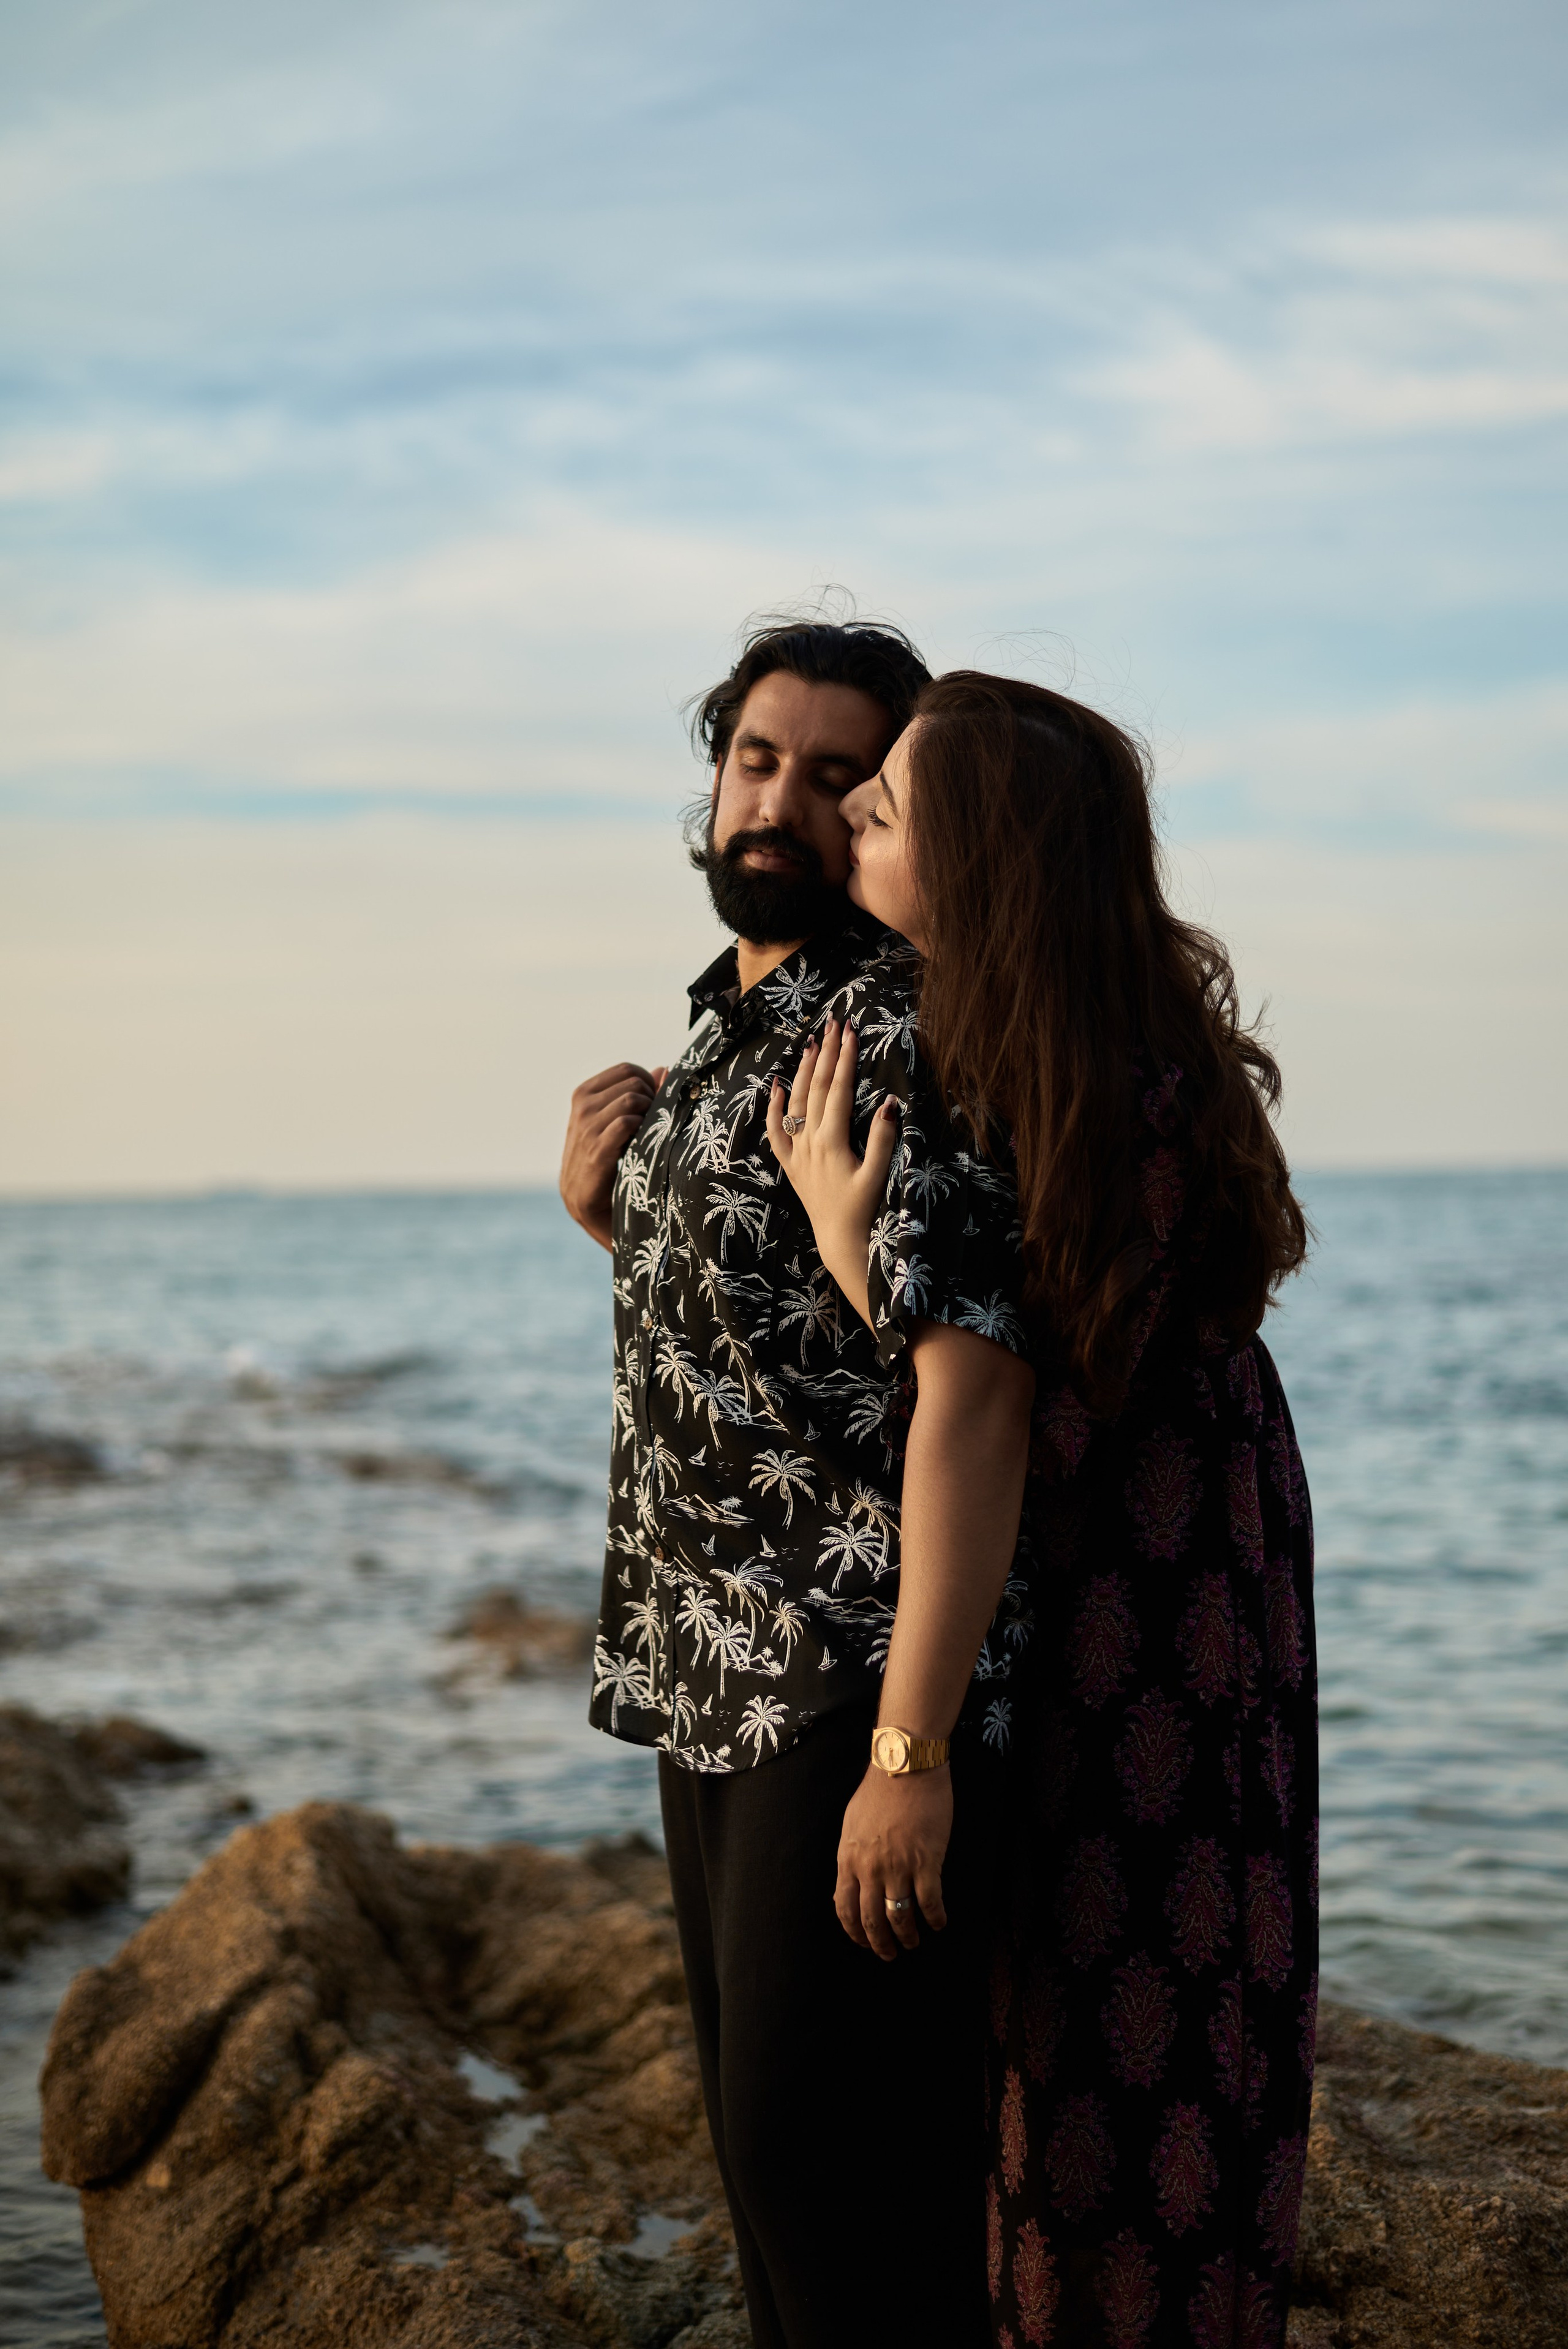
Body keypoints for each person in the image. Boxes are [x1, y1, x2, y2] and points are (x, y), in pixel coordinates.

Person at [769, 672, 1316, 2348]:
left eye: (890, 797)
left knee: (1087, 2072)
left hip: (1116, 1617)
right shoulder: (1136, 1057)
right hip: (1221, 1590)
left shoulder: (978, 1069)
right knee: (1203, 2042)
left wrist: (902, 1756)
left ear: (989, 855)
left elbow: (986, 1410)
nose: (853, 812)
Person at [560, 617, 1038, 2348]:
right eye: (757, 757)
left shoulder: (903, 1026)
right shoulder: (718, 1030)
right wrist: (615, 1224)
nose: (780, 800)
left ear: (894, 810)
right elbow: (801, 1348)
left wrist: (910, 1752)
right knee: (779, 2181)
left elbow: (974, 1399)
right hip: (712, 1676)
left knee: (843, 2195)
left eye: (839, 776)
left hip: (848, 1682)